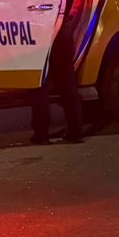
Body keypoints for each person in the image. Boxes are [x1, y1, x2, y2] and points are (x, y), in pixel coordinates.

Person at [30, 8, 85, 145]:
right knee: (68, 83)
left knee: (39, 84)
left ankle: (41, 134)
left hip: (39, 30)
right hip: (62, 28)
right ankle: (76, 131)